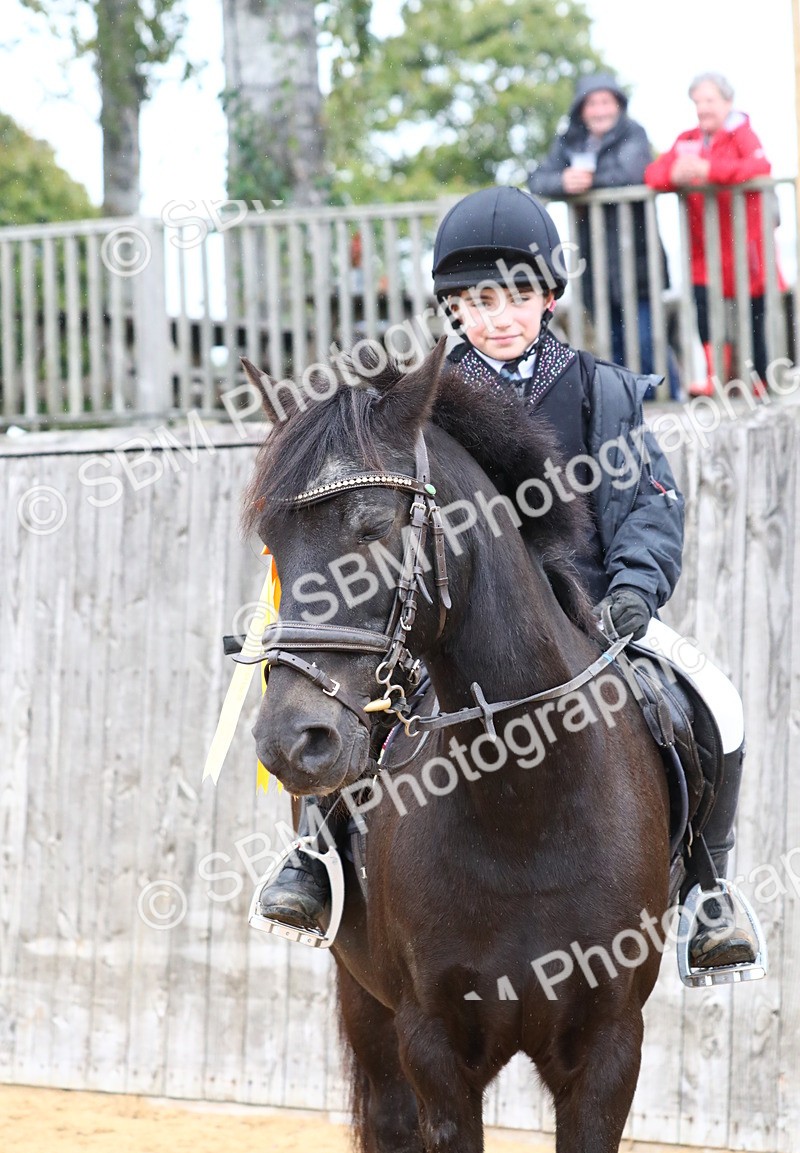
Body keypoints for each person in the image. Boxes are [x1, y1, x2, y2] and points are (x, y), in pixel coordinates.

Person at [254, 186, 759, 974]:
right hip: (450, 618)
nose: (498, 316)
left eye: (517, 296)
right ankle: (317, 858)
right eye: (477, 300)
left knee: (716, 701)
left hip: (593, 611)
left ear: (549, 295)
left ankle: (706, 890)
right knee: (349, 688)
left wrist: (634, 586)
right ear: (453, 307)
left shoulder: (602, 389)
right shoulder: (417, 405)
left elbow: (647, 501)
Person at [529, 73, 680, 396]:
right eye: (593, 103)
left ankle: (671, 397)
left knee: (646, 339)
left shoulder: (633, 133)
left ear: (618, 105)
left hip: (638, 258)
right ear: (582, 109)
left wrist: (588, 182)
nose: (600, 110)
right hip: (594, 263)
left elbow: (632, 172)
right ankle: (631, 407)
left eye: (606, 102)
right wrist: (564, 182)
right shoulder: (569, 140)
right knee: (613, 343)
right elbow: (538, 179)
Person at [645, 72, 778, 396]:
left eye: (710, 100)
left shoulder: (742, 135)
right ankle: (716, 375)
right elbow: (653, 173)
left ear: (727, 102)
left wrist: (710, 172)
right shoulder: (687, 138)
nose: (703, 108)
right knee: (703, 309)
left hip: (745, 245)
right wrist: (674, 175)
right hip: (704, 248)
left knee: (753, 310)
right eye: (698, 101)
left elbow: (760, 167)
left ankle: (758, 378)